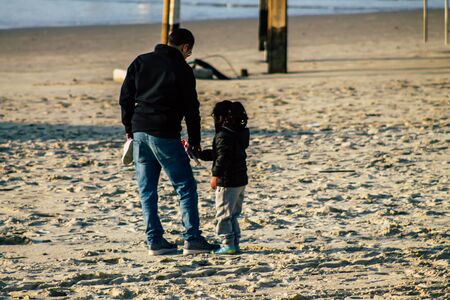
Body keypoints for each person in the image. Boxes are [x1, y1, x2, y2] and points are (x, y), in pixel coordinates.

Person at [119, 28, 219, 255]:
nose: (188, 56)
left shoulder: (141, 61)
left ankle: (155, 241)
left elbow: (125, 98)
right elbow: (192, 110)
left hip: (139, 131)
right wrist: (194, 142)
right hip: (164, 133)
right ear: (185, 47)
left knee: (147, 190)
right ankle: (192, 239)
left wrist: (129, 128)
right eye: (189, 52)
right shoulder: (182, 69)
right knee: (185, 186)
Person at [199, 101, 250, 254]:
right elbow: (220, 154)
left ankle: (228, 243)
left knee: (223, 215)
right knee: (233, 214)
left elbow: (222, 158)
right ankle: (234, 242)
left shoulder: (223, 135)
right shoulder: (239, 133)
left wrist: (215, 175)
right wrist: (201, 155)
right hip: (240, 180)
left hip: (228, 181)